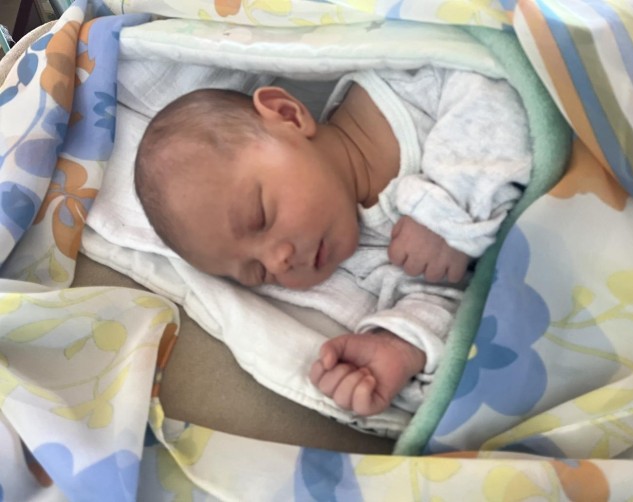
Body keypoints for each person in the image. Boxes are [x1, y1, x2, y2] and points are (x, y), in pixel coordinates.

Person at [134, 66, 532, 417]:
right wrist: (399, 344)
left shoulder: (400, 85)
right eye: (257, 273)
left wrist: (449, 207)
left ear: (288, 116)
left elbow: (500, 80)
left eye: (260, 218)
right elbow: (446, 296)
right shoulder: (362, 261)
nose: (278, 261)